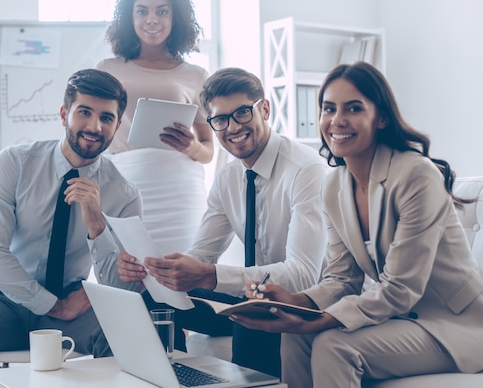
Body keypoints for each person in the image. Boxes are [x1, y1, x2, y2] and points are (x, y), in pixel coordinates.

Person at [230, 62, 483, 387]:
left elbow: (400, 288)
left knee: (333, 344)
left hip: (460, 324)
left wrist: (325, 319)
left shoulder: (416, 174)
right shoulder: (334, 184)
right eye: (328, 109)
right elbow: (341, 278)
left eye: (353, 108)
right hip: (402, 318)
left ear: (381, 117)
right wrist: (296, 302)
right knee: (295, 336)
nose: (337, 120)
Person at [0, 69, 143, 388]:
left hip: (70, 301)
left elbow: (121, 286)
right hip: (2, 297)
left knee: (129, 335)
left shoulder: (123, 193)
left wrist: (96, 224)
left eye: (106, 118)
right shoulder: (14, 163)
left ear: (117, 126)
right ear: (64, 113)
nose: (95, 127)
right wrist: (53, 305)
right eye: (84, 112)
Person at [118, 67, 328, 377]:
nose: (232, 127)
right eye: (220, 119)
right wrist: (156, 270)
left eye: (243, 113)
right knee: (155, 300)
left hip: (302, 300)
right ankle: (177, 379)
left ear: (265, 109)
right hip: (254, 295)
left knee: (252, 319)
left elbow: (303, 274)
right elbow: (202, 254)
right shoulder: (229, 177)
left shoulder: (306, 170)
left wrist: (209, 275)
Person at [95, 0, 213, 255]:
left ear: (176, 17)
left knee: (182, 274)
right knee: (125, 273)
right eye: (142, 11)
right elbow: (93, 128)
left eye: (162, 11)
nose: (152, 19)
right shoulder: (107, 69)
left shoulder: (196, 75)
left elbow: (209, 151)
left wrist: (193, 146)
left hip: (180, 191)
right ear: (129, 16)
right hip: (124, 180)